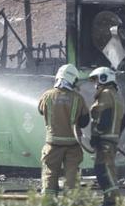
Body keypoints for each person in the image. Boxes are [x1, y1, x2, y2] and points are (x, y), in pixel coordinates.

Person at [37, 64, 91, 195]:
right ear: (73, 80)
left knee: (50, 174)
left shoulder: (47, 96)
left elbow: (40, 111)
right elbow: (84, 122)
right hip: (72, 145)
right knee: (72, 177)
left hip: (52, 145)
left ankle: (49, 205)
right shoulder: (78, 98)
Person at [88, 67, 125, 206]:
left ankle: (112, 202)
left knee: (103, 170)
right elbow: (124, 120)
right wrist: (115, 136)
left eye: (96, 80)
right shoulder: (116, 95)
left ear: (104, 78)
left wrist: (97, 135)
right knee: (106, 169)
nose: (95, 84)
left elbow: (104, 116)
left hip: (104, 140)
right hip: (110, 139)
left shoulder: (105, 94)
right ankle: (109, 200)